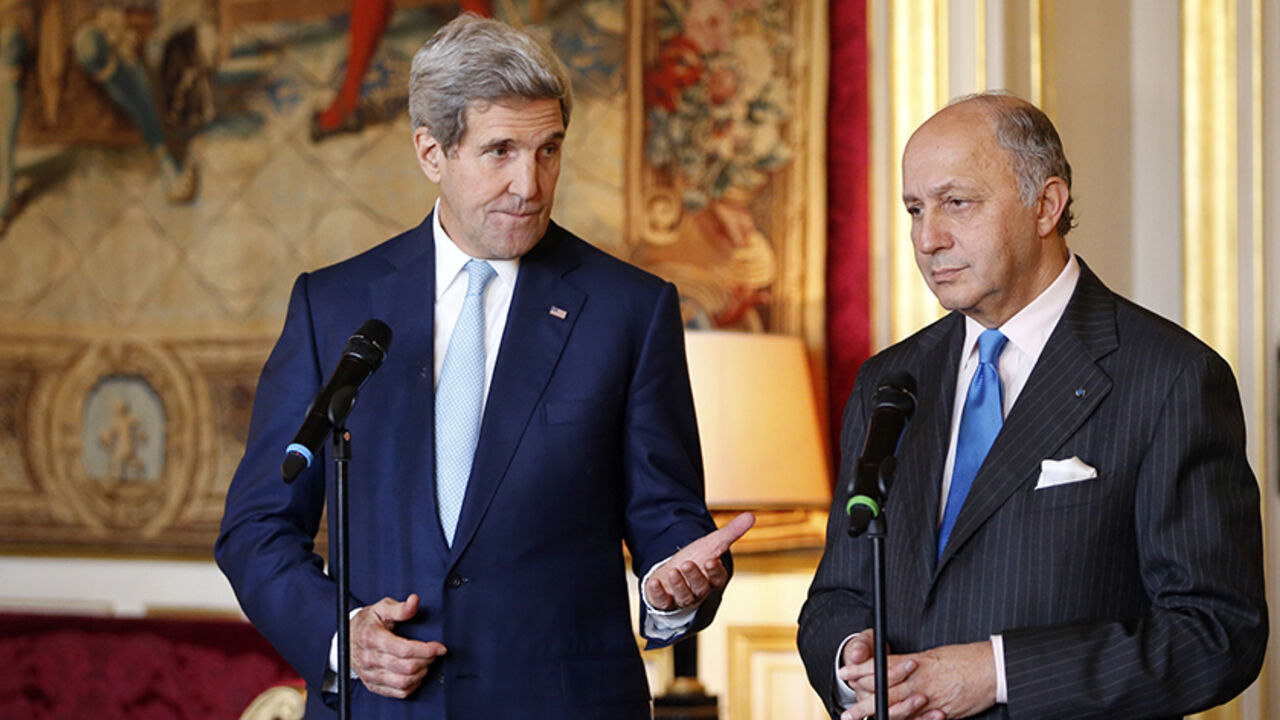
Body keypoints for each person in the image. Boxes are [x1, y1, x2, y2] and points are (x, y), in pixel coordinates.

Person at [217, 14, 753, 720]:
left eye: (548, 150)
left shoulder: (630, 309)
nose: (530, 184)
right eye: (500, 151)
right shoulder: (334, 305)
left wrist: (670, 585)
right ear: (431, 152)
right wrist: (343, 636)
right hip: (385, 707)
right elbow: (257, 527)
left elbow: (668, 519)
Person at [797, 92, 1266, 720]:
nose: (928, 239)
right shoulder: (890, 379)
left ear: (1046, 206)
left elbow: (1217, 633)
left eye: (956, 203)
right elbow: (837, 595)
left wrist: (997, 673)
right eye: (915, 209)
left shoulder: (1171, 376)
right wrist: (852, 659)